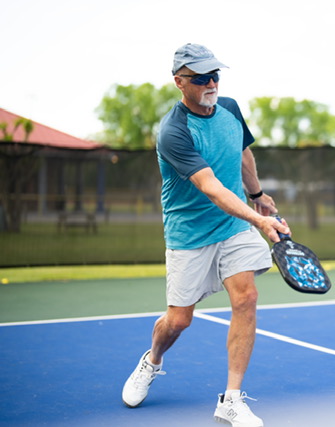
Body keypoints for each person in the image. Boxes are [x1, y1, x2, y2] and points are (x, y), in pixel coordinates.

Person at [121, 43, 289, 427]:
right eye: (201, 78)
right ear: (180, 82)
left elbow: (242, 151)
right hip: (190, 235)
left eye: (215, 75)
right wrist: (261, 221)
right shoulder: (173, 132)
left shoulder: (229, 108)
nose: (212, 82)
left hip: (232, 226)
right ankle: (152, 360)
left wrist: (258, 195)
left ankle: (231, 400)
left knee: (246, 297)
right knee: (178, 321)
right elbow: (211, 186)